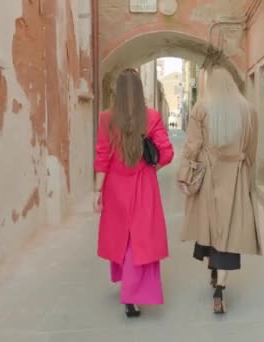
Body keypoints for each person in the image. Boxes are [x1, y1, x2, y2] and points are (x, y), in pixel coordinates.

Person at [177, 67, 261, 314]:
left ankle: (214, 273)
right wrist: (247, 175)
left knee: (211, 226)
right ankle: (220, 289)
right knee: (229, 232)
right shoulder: (248, 111)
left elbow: (192, 145)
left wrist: (184, 175)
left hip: (209, 175)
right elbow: (252, 149)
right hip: (235, 175)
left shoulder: (201, 108)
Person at [93, 68, 174, 318]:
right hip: (143, 186)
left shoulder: (107, 117)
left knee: (123, 237)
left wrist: (98, 190)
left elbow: (102, 156)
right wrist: (152, 169)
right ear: (140, 92)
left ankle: (127, 287)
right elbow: (167, 152)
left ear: (117, 92)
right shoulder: (150, 116)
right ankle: (133, 293)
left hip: (116, 186)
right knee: (140, 238)